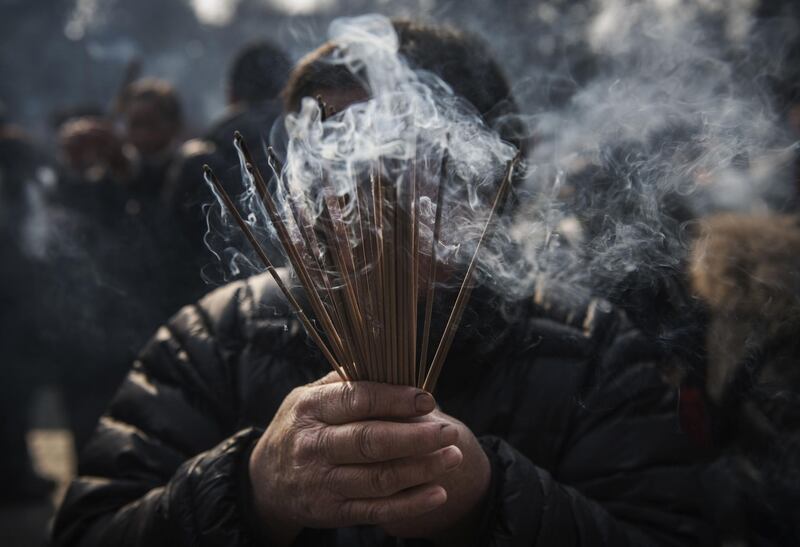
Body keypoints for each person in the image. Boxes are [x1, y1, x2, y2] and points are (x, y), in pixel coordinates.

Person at [53, 19, 715, 546]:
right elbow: (90, 528)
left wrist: (490, 502)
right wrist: (249, 490)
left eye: (396, 150)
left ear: (487, 180)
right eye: (329, 148)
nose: (354, 186)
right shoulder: (215, 338)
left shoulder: (592, 350)